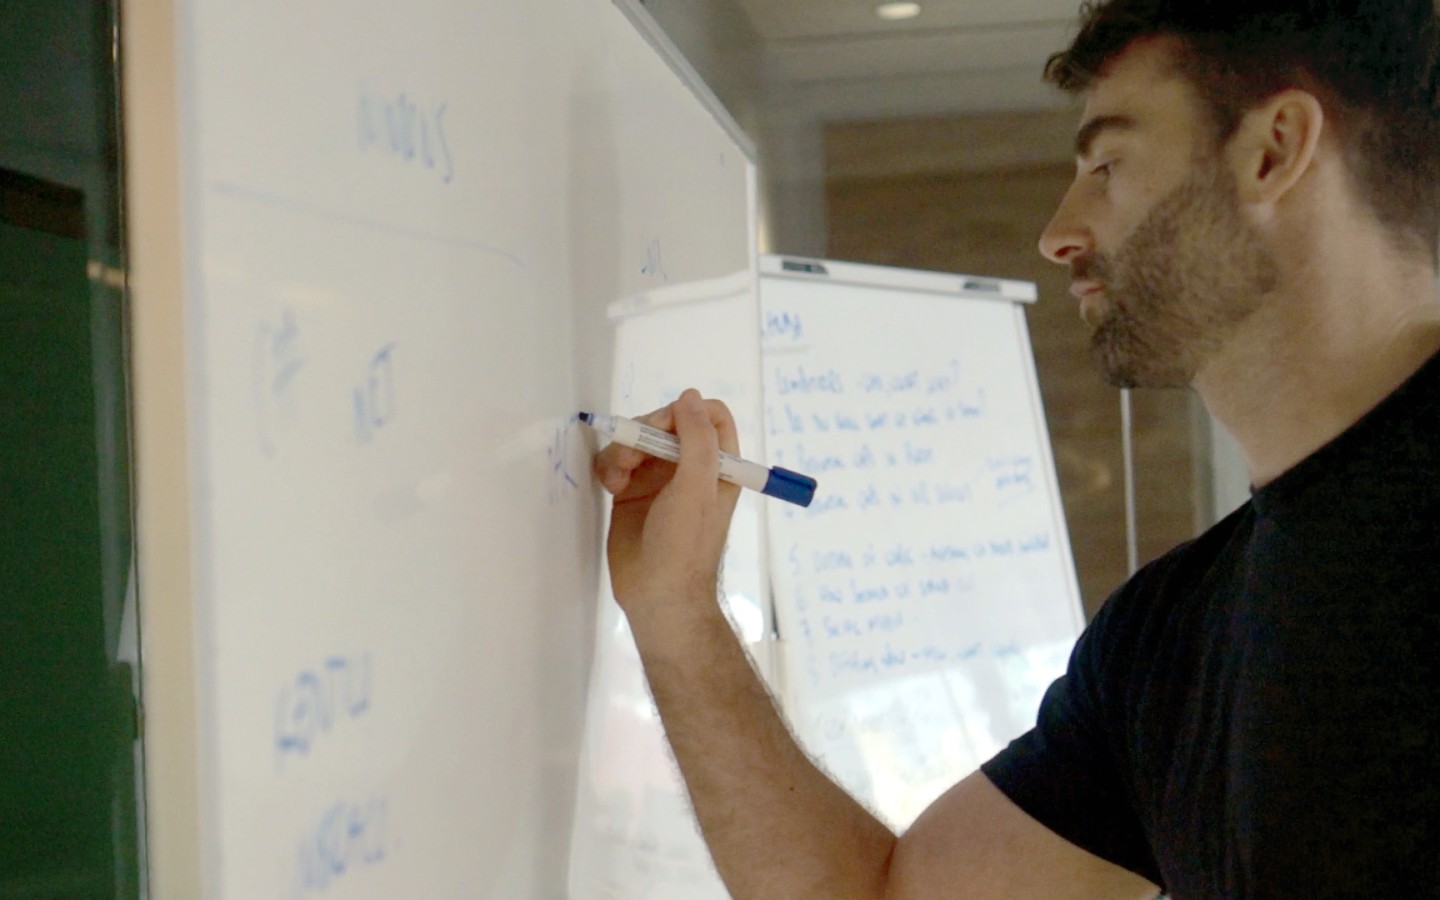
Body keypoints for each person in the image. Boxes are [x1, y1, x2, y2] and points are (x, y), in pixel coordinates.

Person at [594, 1, 1440, 896]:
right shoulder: (1168, 641)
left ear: (1272, 151)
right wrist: (678, 616)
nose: (1057, 234)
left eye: (1109, 164)